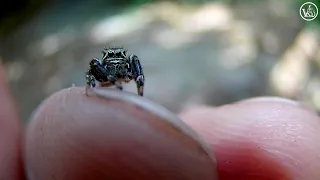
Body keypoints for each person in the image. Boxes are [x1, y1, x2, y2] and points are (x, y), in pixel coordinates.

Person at [1, 63, 320, 180]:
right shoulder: (103, 70)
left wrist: (135, 93)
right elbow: (95, 75)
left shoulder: (126, 67)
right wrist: (96, 90)